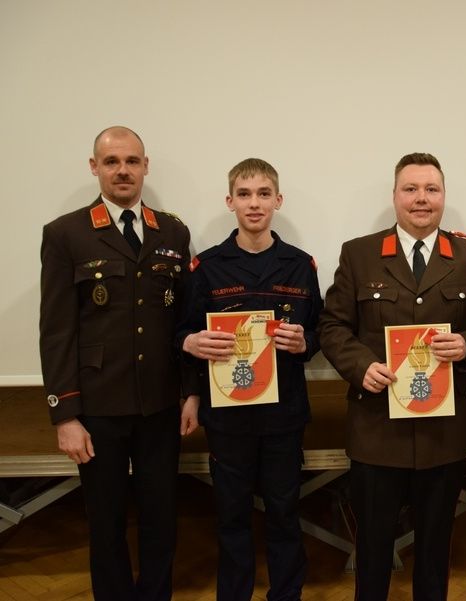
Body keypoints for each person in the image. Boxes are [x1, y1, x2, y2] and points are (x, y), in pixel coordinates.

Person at [318, 152, 466, 601]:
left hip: (446, 431)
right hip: (377, 429)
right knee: (375, 547)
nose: (421, 199)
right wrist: (361, 365)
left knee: (435, 547)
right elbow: (331, 325)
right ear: (395, 196)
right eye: (411, 189)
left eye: (431, 190)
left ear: (443, 197)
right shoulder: (360, 253)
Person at [39, 126, 192, 601]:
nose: (122, 170)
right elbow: (57, 330)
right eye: (111, 162)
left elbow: (181, 323)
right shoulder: (66, 233)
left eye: (131, 161)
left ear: (146, 166)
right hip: (98, 406)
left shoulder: (173, 230)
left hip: (160, 404)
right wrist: (65, 414)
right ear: (94, 168)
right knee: (105, 521)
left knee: (160, 517)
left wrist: (190, 392)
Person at [177, 158, 322, 601]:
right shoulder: (206, 267)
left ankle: (286, 594)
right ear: (230, 202)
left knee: (283, 513)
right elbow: (181, 333)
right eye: (244, 194)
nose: (254, 203)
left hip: (283, 415)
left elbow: (320, 331)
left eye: (263, 194)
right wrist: (190, 373)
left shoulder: (301, 265)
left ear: (278, 200)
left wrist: (304, 342)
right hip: (228, 416)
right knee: (232, 517)